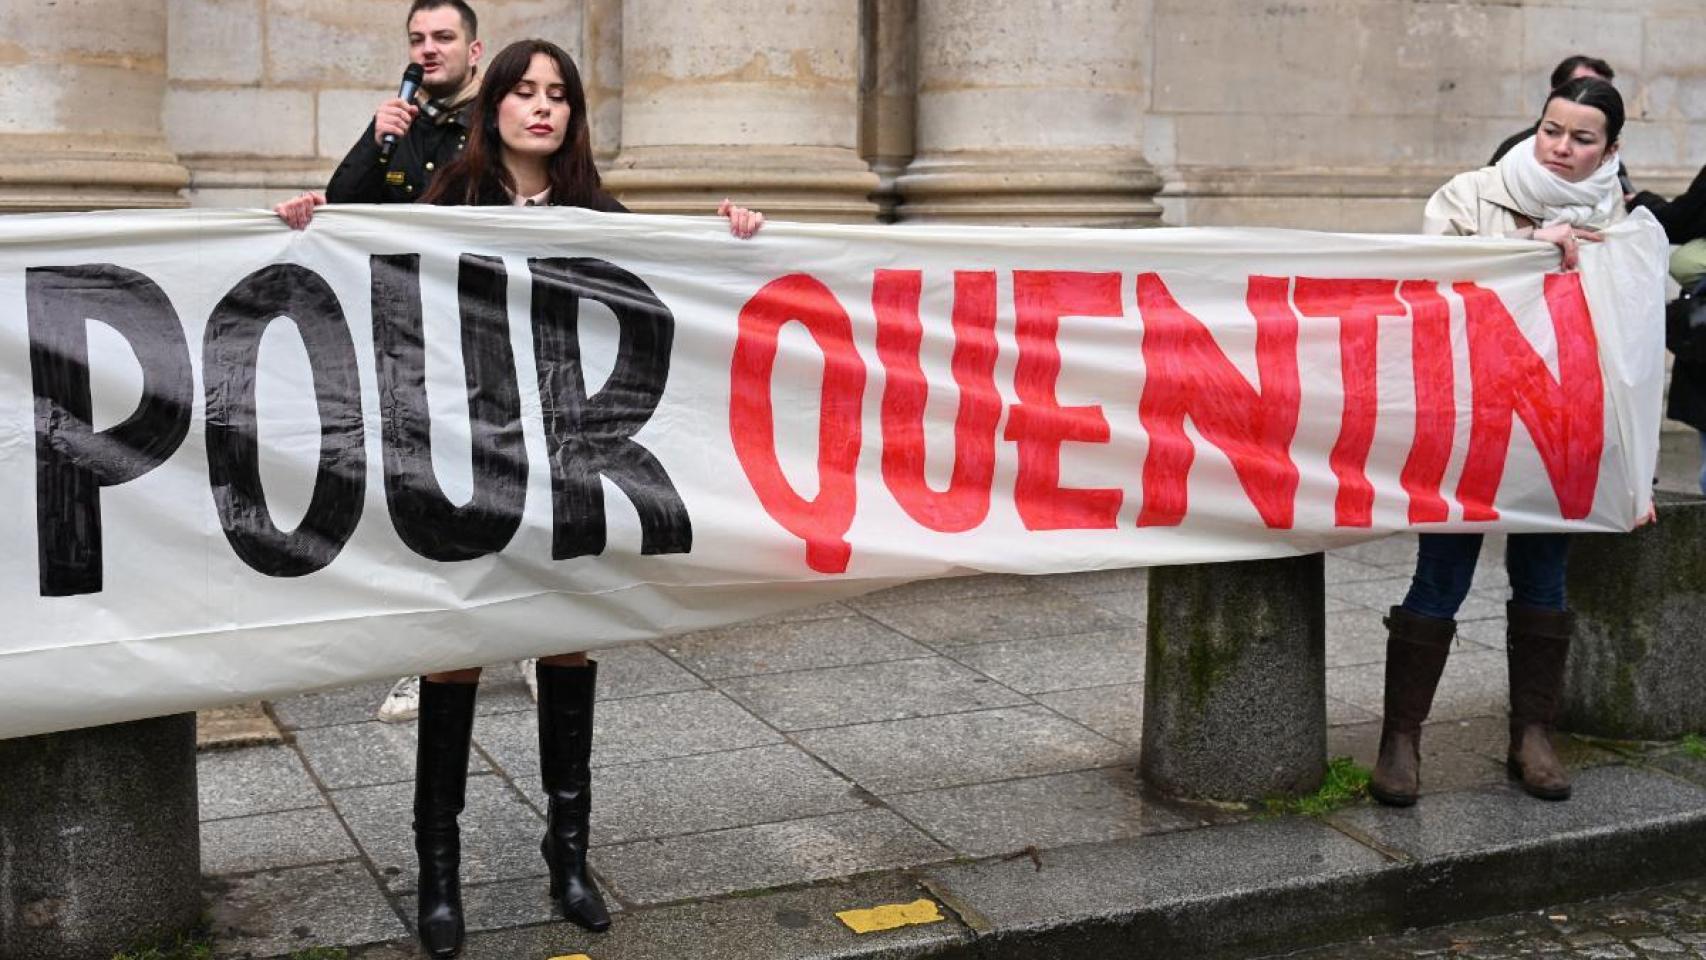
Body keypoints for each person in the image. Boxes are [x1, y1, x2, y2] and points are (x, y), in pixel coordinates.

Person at [276, 39, 762, 958]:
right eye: (524, 92)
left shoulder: (592, 210)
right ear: (492, 104)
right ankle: (441, 873)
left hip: (568, 459)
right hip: (464, 456)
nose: (542, 108)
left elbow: (675, 273)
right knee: (455, 647)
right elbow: (357, 250)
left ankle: (568, 856)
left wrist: (730, 231)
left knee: (563, 639)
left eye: (558, 96)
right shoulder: (446, 199)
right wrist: (306, 218)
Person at [1371, 77, 1632, 809]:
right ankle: (1401, 739)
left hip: (1559, 424)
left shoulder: (1617, 215)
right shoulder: (1471, 193)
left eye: (1583, 139)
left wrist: (1630, 469)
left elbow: (1628, 336)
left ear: (1609, 149)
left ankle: (1533, 735)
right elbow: (1431, 279)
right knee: (1440, 572)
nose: (1562, 148)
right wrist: (1524, 246)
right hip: (1472, 417)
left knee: (1545, 577)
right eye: (1553, 130)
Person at [327, 0, 482, 205]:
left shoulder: (496, 118)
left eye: (443, 38)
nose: (427, 49)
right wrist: (374, 145)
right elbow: (340, 203)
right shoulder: (395, 122)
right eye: (417, 40)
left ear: (474, 52)